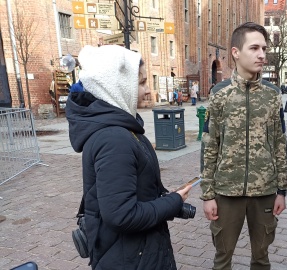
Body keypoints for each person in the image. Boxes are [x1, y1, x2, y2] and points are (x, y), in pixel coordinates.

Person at [65, 45, 192, 270]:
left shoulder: (123, 129)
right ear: (118, 84)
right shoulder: (114, 139)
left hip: (137, 252)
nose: (147, 90)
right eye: (141, 82)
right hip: (130, 258)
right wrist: (173, 203)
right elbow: (122, 215)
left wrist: (167, 200)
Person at [200, 22, 287, 270]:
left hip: (265, 191)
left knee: (261, 258)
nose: (262, 54)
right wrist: (208, 194)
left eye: (264, 48)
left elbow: (279, 142)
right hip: (227, 191)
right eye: (254, 48)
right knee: (222, 258)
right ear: (236, 52)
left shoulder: (272, 94)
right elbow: (210, 146)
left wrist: (282, 189)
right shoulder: (219, 93)